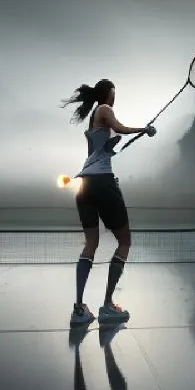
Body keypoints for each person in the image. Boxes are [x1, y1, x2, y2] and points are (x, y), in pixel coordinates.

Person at [62, 78, 156, 327]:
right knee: (124, 241)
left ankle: (79, 309)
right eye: (115, 93)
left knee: (90, 244)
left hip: (84, 185)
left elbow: (99, 150)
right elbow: (120, 127)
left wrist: (112, 146)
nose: (116, 98)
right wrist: (143, 130)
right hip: (103, 182)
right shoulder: (105, 109)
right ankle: (107, 305)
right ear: (109, 93)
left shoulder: (95, 115)